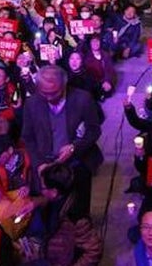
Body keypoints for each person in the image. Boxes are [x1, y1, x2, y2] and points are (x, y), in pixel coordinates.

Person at [20, 64, 103, 209]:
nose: (49, 97)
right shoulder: (31, 103)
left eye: (54, 92)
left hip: (76, 163)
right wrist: (39, 164)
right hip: (45, 165)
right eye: (44, 93)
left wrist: (74, 148)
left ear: (64, 85)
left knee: (78, 210)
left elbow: (94, 131)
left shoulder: (83, 99)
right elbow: (28, 137)